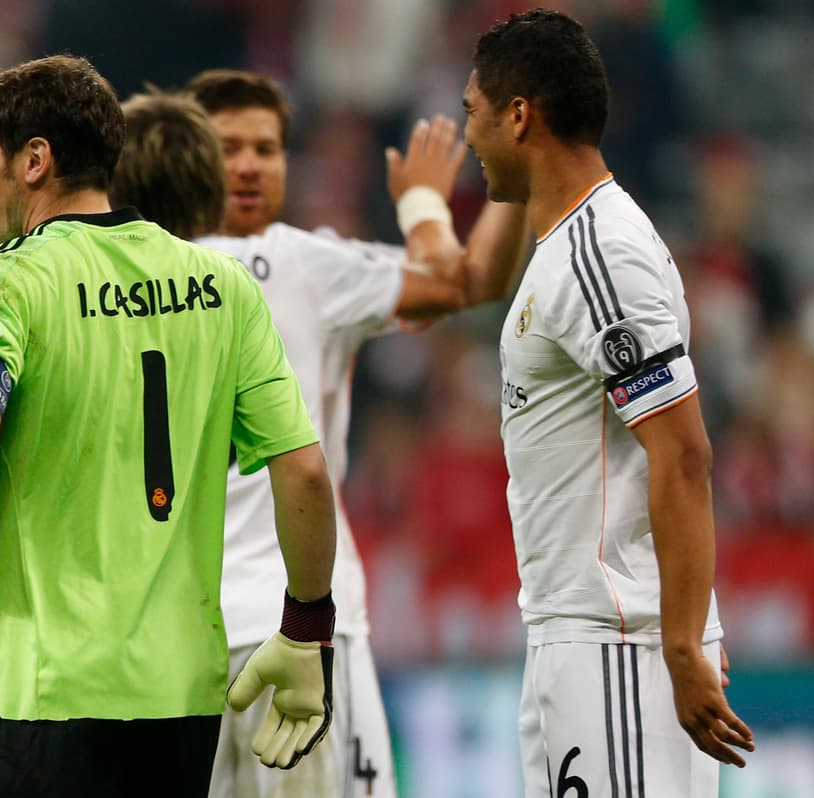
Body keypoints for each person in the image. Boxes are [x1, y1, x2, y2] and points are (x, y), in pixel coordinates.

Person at [0, 54, 339, 797]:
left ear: (35, 161)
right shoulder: (225, 287)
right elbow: (304, 470)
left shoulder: (0, 280)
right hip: (179, 690)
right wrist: (307, 627)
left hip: (45, 690)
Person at [184, 68, 529, 798]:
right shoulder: (309, 264)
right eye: (229, 146)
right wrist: (432, 204)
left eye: (267, 148)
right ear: (188, 156)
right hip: (299, 624)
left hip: (177, 636)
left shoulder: (134, 276)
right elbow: (466, 281)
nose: (249, 164)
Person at [462, 9, 754, 795]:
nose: (469, 136)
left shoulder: (598, 255)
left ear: (519, 115)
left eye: (473, 113)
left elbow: (683, 451)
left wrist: (684, 642)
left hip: (618, 647)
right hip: (580, 639)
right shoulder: (569, 248)